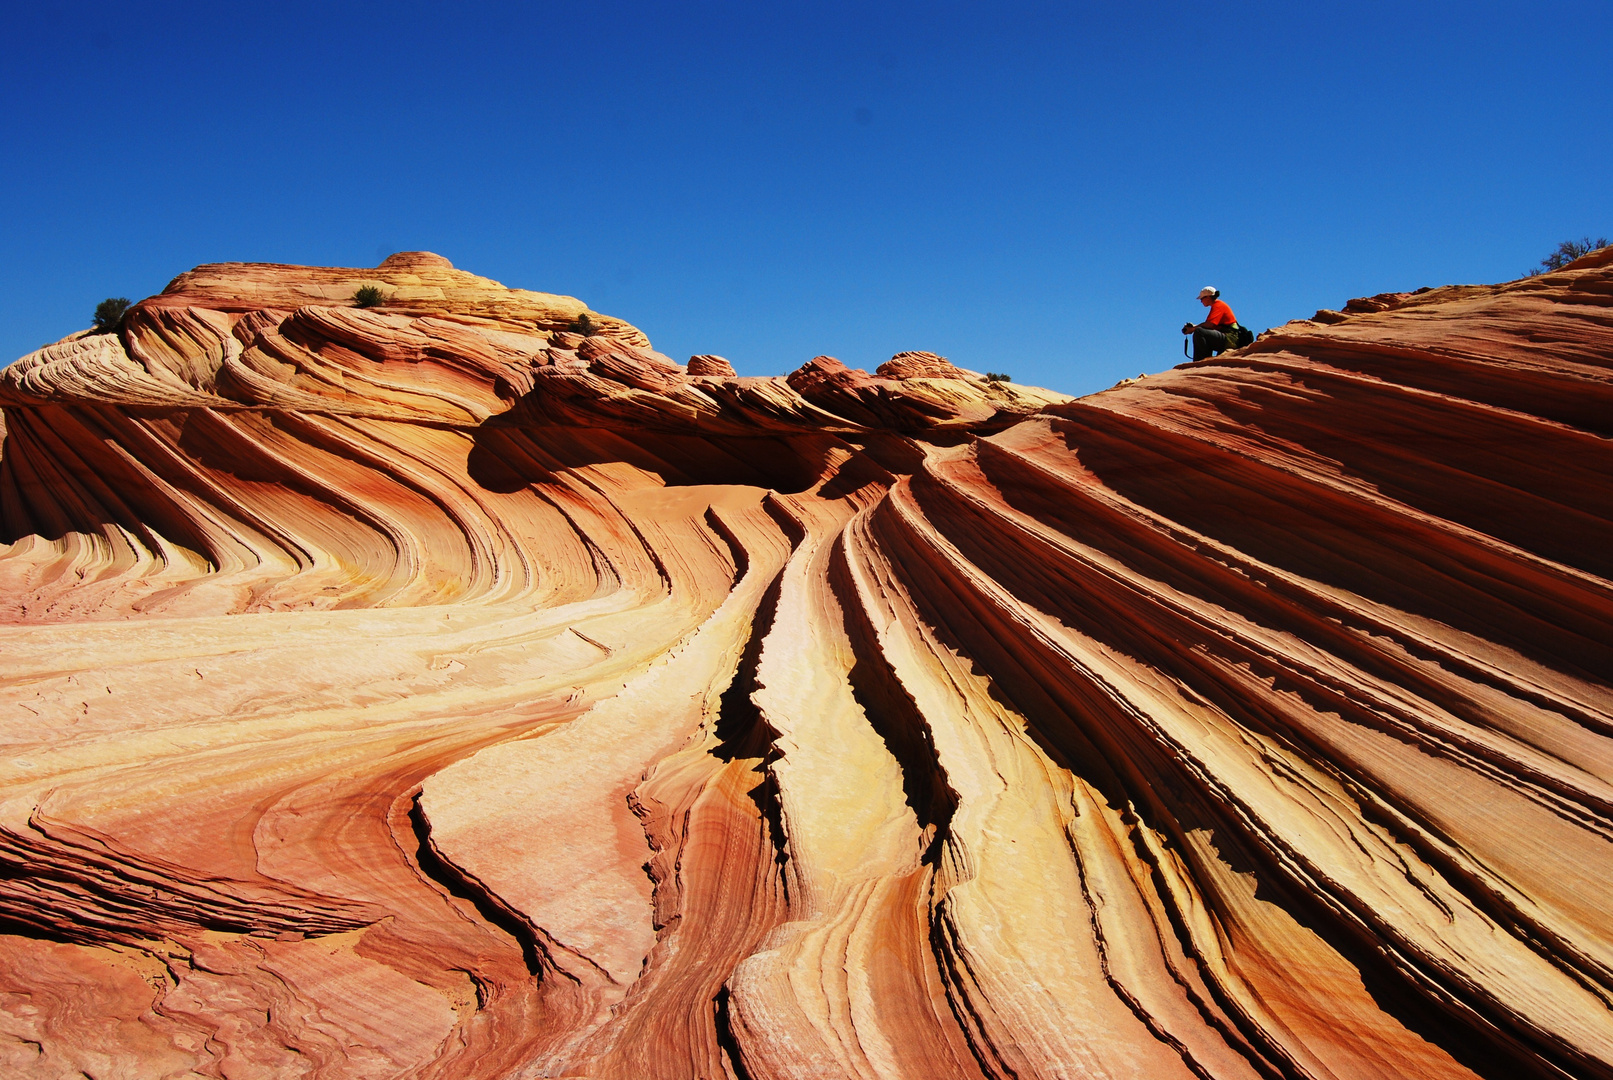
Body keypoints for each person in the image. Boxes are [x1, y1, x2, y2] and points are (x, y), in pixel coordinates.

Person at [1182, 286, 1239, 360]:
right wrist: (1194, 326)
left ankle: (1200, 362)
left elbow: (1209, 325)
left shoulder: (1218, 305)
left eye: (1202, 299)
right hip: (1228, 337)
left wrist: (1193, 329)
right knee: (1200, 331)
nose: (1201, 301)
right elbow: (1210, 325)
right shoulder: (1217, 305)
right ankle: (1204, 360)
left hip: (1230, 338)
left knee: (1199, 332)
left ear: (1208, 297)